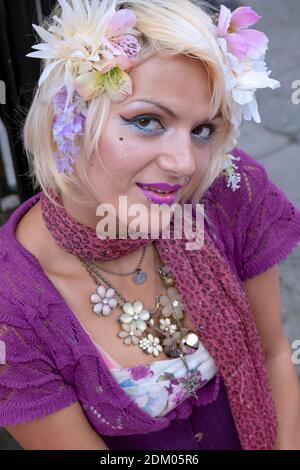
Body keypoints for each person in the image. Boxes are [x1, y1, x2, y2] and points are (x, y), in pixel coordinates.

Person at [0, 0, 300, 450]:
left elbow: (274, 353)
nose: (184, 165)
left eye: (202, 130)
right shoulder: (13, 309)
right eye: (146, 121)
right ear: (70, 118)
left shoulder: (225, 191)